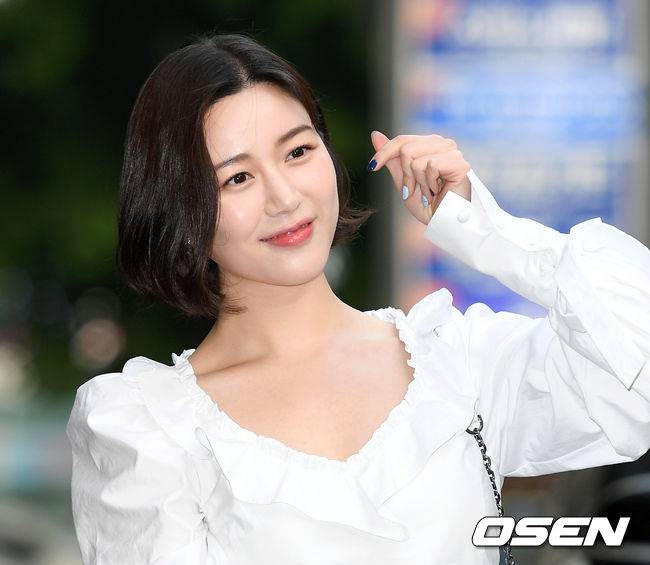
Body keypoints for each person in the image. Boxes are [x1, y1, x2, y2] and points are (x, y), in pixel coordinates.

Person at [65, 32, 650, 565]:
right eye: (237, 178)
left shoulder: (457, 363)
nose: (285, 197)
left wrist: (489, 231)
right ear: (180, 207)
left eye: (298, 152)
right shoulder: (151, 427)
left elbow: (637, 371)